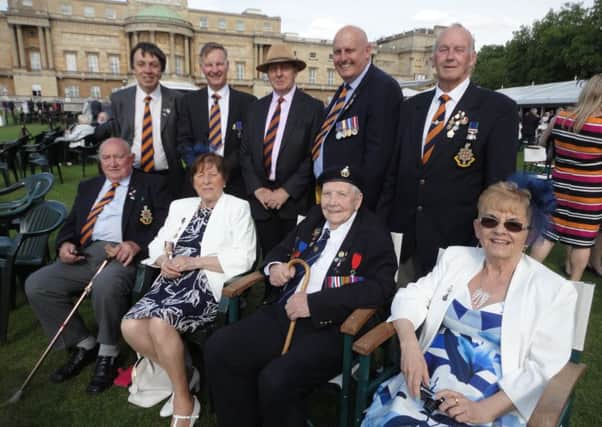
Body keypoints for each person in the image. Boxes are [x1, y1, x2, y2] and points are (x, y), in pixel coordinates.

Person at [362, 175, 576, 427]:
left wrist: (485, 410)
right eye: (490, 221)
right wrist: (409, 345)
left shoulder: (553, 290)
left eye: (513, 225)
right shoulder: (457, 258)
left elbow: (543, 366)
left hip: (494, 397)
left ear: (529, 236)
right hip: (425, 382)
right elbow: (410, 295)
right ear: (477, 228)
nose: (500, 230)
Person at [205, 165, 397, 427]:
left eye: (341, 195)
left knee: (276, 379)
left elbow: (381, 288)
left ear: (358, 199)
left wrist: (315, 304)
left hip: (333, 328)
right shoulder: (316, 218)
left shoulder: (374, 233)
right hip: (284, 313)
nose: (332, 202)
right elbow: (279, 251)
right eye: (327, 194)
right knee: (221, 347)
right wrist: (275, 269)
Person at [25, 138, 170, 394]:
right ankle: (83, 342)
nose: (112, 163)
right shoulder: (89, 186)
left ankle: (108, 352)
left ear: (131, 157)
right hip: (87, 253)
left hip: (125, 255)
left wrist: (136, 244)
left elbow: (164, 225)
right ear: (100, 160)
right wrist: (65, 243)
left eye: (118, 156)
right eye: (106, 157)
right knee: (37, 285)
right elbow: (71, 223)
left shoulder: (152, 185)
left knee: (106, 285)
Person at [122, 152, 256, 426]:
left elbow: (245, 257)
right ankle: (184, 373)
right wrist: (165, 260)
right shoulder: (180, 206)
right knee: (130, 326)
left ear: (224, 180)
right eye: (199, 174)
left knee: (160, 324)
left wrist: (193, 261)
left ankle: (184, 398)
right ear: (192, 180)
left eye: (213, 174)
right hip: (169, 281)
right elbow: (158, 244)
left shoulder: (237, 208)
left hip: (204, 284)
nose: (206, 180)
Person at [378, 23, 518, 281]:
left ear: (472, 58)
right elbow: (393, 173)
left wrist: (487, 237)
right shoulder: (411, 108)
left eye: (458, 50)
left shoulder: (498, 110)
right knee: (397, 310)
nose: (450, 56)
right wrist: (383, 226)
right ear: (433, 58)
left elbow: (499, 187)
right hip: (403, 237)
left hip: (457, 243)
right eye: (443, 49)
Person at [240, 43, 323, 300]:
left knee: (294, 263)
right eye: (273, 69)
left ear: (294, 71)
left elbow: (313, 156)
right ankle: (268, 305)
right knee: (269, 261)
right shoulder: (255, 108)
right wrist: (258, 189)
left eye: (283, 68)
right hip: (262, 202)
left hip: (294, 202)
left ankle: (290, 308)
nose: (278, 74)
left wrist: (286, 191)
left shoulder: (313, 108)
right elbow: (245, 154)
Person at [312, 25, 402, 209]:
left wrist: (355, 206)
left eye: (349, 51)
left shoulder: (382, 88)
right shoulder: (345, 89)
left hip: (353, 206)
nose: (343, 58)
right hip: (331, 201)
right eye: (337, 52)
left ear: (367, 51)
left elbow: (377, 161)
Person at [530, 74, 602, 281]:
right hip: (590, 194)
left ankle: (525, 279)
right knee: (582, 241)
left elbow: (542, 143)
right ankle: (573, 285)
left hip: (559, 185)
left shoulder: (561, 118)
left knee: (547, 235)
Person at [177, 42, 256, 198]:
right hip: (198, 186)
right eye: (209, 65)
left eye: (219, 64)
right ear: (202, 68)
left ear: (227, 66)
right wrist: (202, 172)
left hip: (235, 184)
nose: (214, 70)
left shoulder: (248, 103)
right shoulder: (187, 102)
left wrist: (222, 171)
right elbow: (183, 141)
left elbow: (248, 145)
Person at [110, 42, 183, 199]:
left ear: (161, 70)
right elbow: (116, 137)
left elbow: (184, 139)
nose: (148, 71)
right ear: (133, 68)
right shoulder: (119, 99)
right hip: (131, 175)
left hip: (168, 178)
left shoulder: (178, 100)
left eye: (154, 65)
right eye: (141, 64)